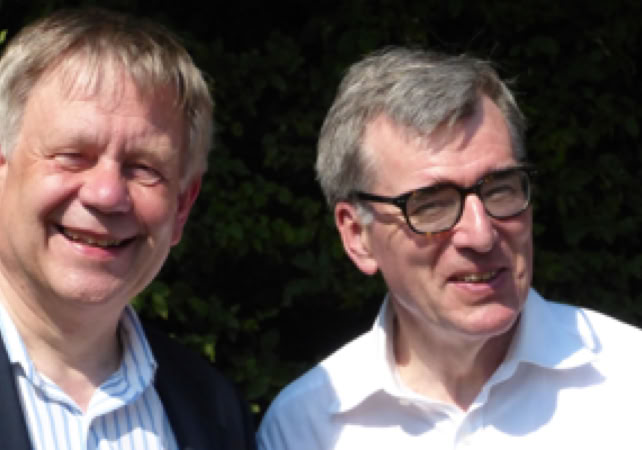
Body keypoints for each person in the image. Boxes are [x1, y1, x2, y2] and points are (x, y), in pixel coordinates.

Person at [257, 47, 642, 449]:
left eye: (500, 190)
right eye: (431, 206)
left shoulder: (629, 381)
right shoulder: (307, 428)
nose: (481, 234)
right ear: (358, 236)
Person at [0, 8, 256, 450]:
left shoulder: (215, 413)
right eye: (73, 155)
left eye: (144, 168)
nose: (106, 194)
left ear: (181, 207)